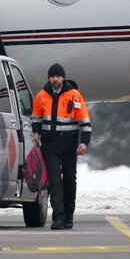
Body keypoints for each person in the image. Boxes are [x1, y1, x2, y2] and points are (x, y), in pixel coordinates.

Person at [31, 63, 90, 230]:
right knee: (55, 182)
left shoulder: (74, 95)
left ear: (63, 77)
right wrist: (36, 132)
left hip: (69, 147)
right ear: (49, 78)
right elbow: (36, 117)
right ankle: (58, 217)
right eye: (52, 76)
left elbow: (84, 121)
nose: (55, 79)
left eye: (58, 76)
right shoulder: (41, 96)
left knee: (70, 181)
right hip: (50, 147)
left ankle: (69, 216)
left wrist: (84, 142)